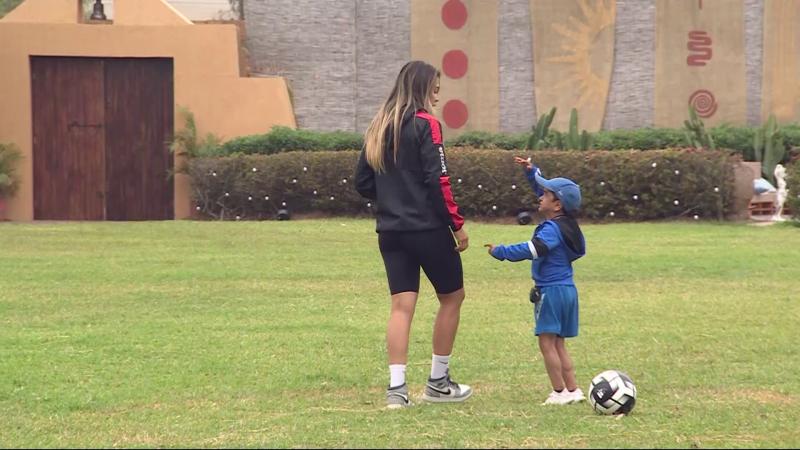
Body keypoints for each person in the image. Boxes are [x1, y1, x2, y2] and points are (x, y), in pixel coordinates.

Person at [355, 61, 472, 409]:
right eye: (435, 90)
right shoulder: (427, 125)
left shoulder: (379, 126)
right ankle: (438, 382)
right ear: (422, 89)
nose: (437, 97)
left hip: (390, 232)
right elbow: (439, 181)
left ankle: (397, 390)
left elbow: (362, 182)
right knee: (452, 297)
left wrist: (394, 199)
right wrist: (458, 224)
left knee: (401, 307)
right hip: (428, 229)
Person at [484, 156, 586, 406]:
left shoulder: (551, 229)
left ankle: (559, 392)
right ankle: (574, 390)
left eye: (545, 194)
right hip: (567, 290)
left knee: (546, 343)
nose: (539, 196)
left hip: (550, 292)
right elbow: (546, 194)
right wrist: (532, 172)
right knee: (559, 344)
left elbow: (533, 249)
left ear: (558, 204)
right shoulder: (568, 225)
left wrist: (502, 252)